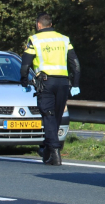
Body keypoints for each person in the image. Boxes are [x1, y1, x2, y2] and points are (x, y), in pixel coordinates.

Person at [20, 13, 81, 166]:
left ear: (38, 25)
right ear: (50, 24)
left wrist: (24, 81)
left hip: (46, 82)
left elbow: (26, 64)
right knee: (56, 116)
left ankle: (54, 151)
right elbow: (76, 65)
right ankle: (48, 149)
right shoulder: (64, 39)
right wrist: (75, 84)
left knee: (48, 115)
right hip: (63, 83)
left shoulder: (34, 40)